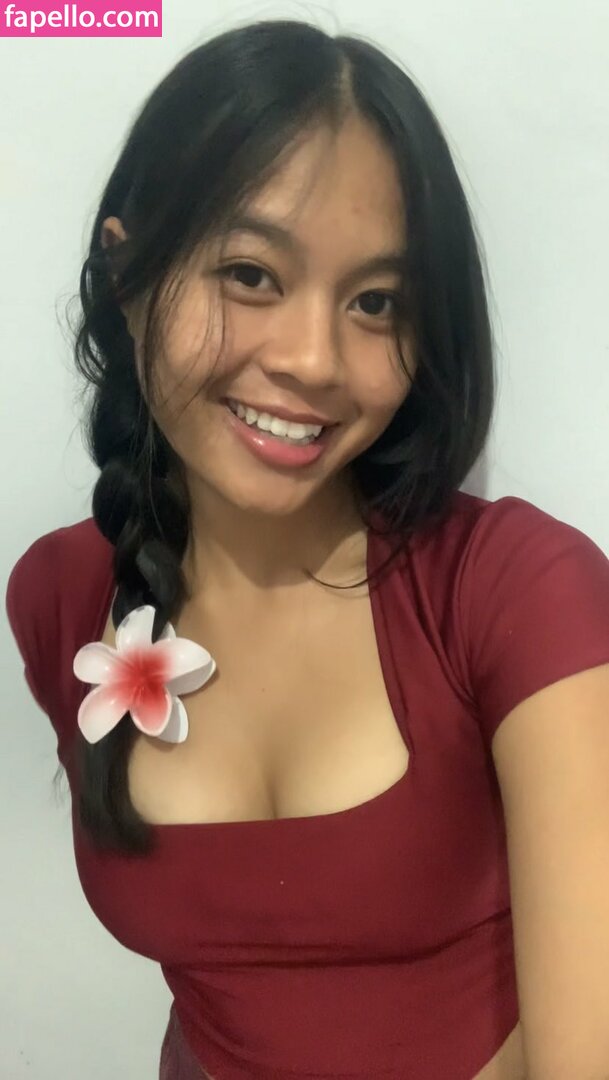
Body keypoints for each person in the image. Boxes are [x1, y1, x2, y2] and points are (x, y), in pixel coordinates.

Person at [6, 18, 609, 1080]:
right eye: (250, 274)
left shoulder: (522, 595)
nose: (315, 360)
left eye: (376, 302)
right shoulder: (60, 594)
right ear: (128, 272)